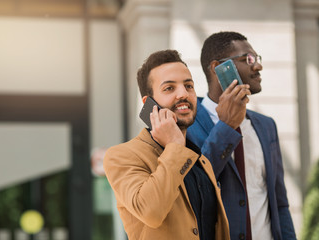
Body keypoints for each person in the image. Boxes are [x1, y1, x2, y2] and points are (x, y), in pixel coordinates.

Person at [103, 49, 230, 240]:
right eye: (169, 88)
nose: (183, 94)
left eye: (189, 86)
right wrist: (175, 147)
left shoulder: (200, 160)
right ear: (149, 103)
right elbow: (150, 212)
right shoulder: (122, 156)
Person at [187, 31, 297, 240]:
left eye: (257, 59)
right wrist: (226, 126)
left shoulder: (266, 126)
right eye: (248, 59)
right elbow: (197, 186)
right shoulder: (188, 126)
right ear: (217, 68)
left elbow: (279, 203)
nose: (258, 66)